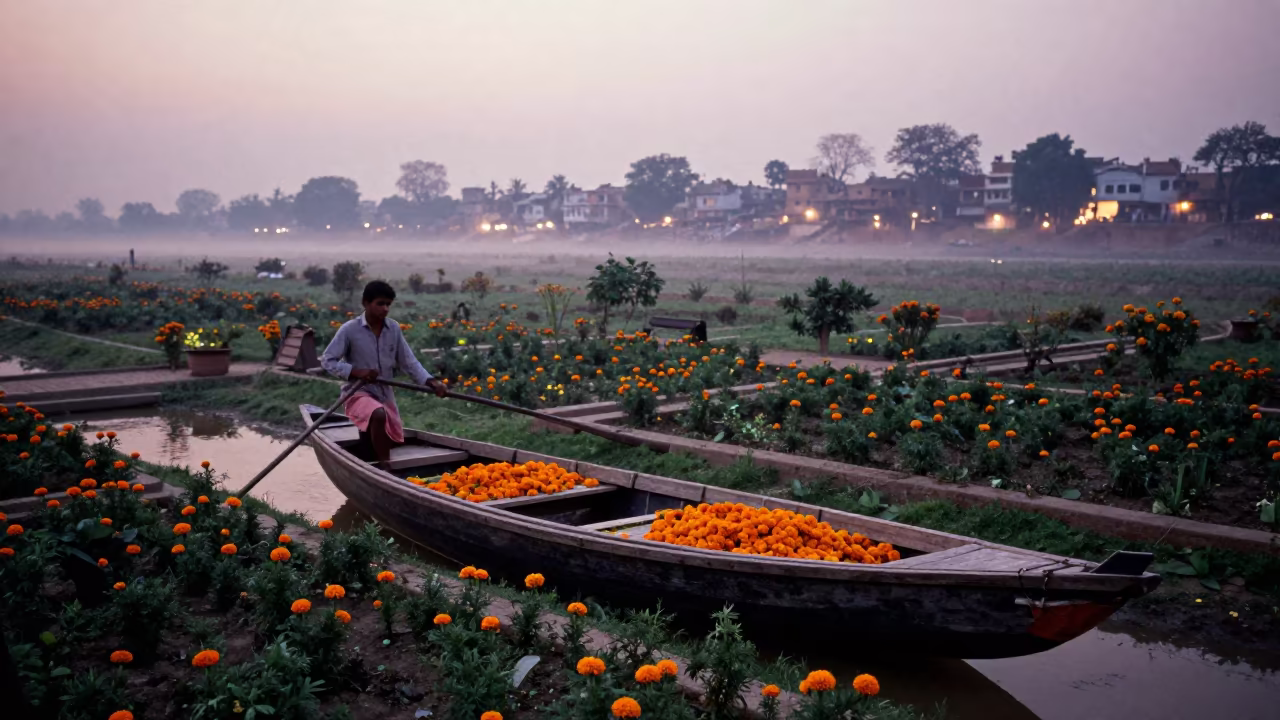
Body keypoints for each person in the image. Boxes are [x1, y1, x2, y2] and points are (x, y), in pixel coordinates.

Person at [320, 280, 447, 467]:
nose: (385, 309)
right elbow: (327, 360)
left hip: (384, 394)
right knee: (378, 414)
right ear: (366, 303)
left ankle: (366, 458)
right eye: (380, 303)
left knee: (382, 431)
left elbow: (408, 361)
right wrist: (356, 371)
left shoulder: (393, 328)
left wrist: (431, 382)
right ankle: (385, 467)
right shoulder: (350, 330)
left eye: (388, 304)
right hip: (357, 392)